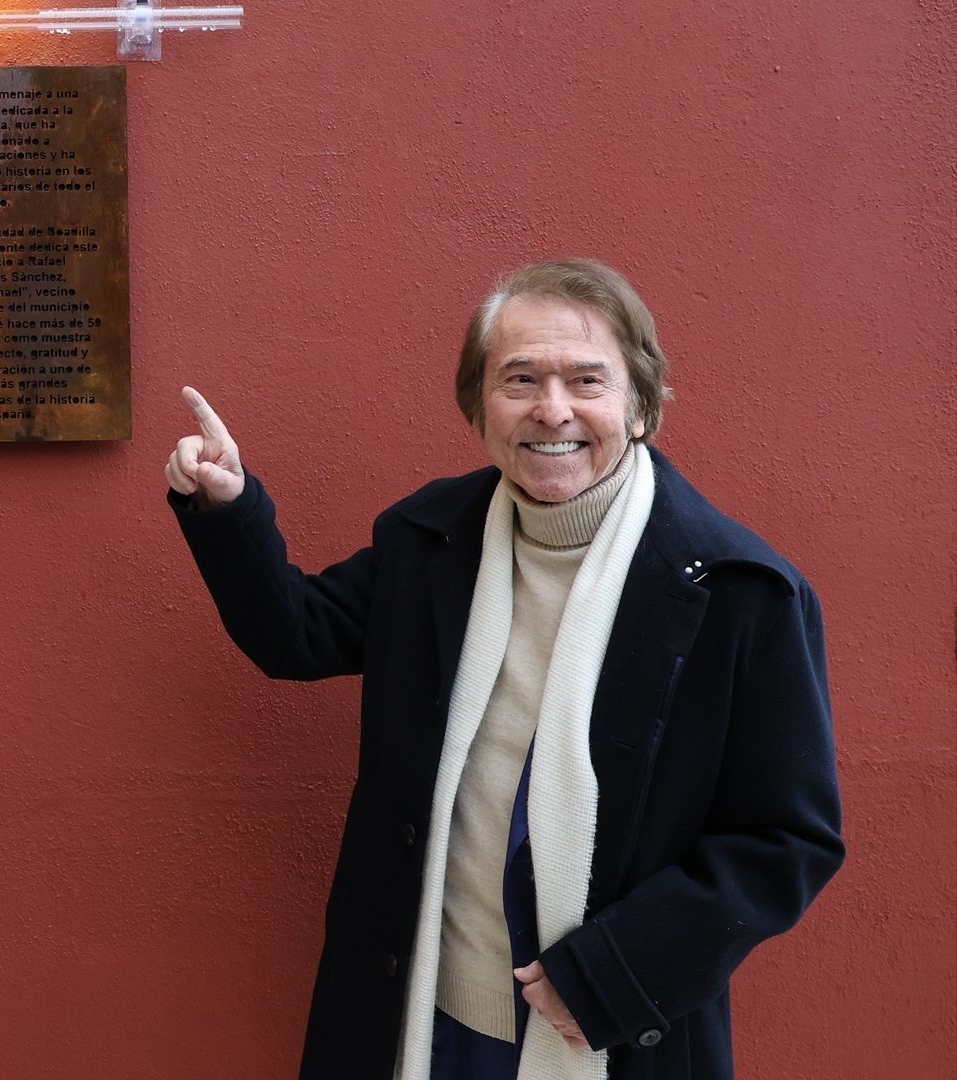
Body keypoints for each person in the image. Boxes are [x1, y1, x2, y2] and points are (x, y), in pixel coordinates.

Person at [165, 259, 842, 1079]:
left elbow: (786, 840)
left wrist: (609, 979)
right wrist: (228, 509)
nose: (551, 410)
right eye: (519, 379)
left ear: (641, 405)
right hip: (426, 1013)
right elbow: (298, 636)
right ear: (478, 406)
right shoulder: (430, 541)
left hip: (607, 1032)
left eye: (586, 379)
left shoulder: (744, 593)